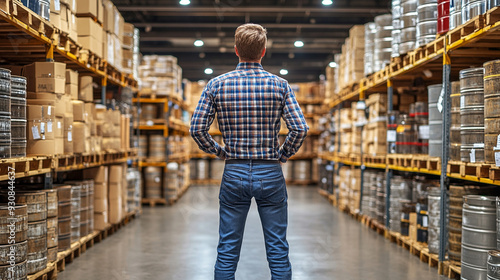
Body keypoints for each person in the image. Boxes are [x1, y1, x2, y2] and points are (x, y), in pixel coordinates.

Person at [190, 23, 309, 280]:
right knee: (278, 248)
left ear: (236, 51)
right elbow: (299, 128)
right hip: (270, 172)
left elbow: (197, 129)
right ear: (263, 51)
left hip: (234, 171)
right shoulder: (280, 85)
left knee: (228, 247)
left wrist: (221, 152)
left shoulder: (216, 85)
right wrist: (283, 154)